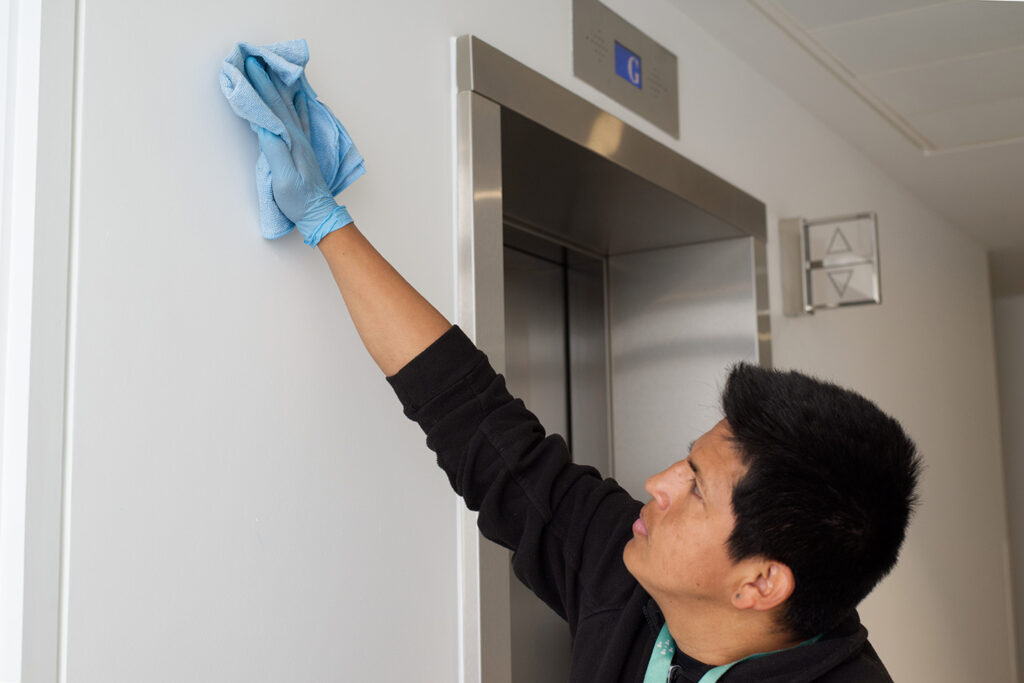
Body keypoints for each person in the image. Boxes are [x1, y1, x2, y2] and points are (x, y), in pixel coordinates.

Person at [241, 57, 921, 683]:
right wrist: (327, 223)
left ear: (759, 583)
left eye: (695, 490)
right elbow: (483, 431)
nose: (655, 484)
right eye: (685, 463)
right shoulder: (630, 576)